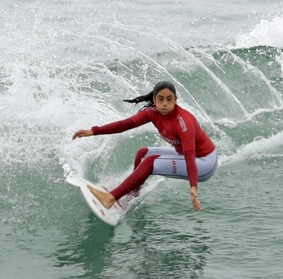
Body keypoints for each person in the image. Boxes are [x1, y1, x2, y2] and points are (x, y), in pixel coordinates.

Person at [72, 81, 217, 212]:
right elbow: (124, 125)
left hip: (204, 163)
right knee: (143, 154)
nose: (165, 103)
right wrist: (94, 131)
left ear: (175, 100)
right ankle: (131, 194)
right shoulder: (152, 113)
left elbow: (190, 159)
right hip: (186, 155)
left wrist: (193, 187)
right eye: (160, 99)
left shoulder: (184, 122)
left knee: (150, 162)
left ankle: (110, 198)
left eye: (169, 99)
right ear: (154, 99)